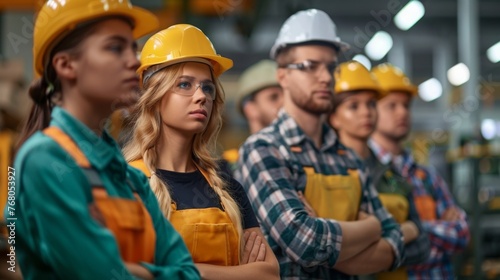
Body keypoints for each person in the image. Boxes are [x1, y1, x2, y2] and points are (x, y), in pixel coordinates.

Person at [8, 1, 200, 279]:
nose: (134, 61)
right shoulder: (46, 160)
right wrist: (158, 271)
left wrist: (133, 271)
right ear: (65, 65)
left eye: (132, 47)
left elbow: (189, 272)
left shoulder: (128, 177)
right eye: (114, 47)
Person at [234, 9, 404, 279]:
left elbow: (396, 241)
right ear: (283, 76)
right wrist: (371, 228)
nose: (326, 77)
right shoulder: (263, 150)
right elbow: (304, 243)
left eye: (330, 66)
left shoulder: (348, 156)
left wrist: (324, 233)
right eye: (310, 66)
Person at [123, 24, 280, 280]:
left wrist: (178, 273)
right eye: (185, 84)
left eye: (207, 87)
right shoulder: (128, 182)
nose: (201, 97)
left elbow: (269, 274)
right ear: (156, 96)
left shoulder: (226, 185)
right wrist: (238, 273)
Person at [329, 61, 430, 279]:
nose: (366, 112)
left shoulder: (393, 172)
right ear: (334, 117)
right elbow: (331, 252)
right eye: (353, 106)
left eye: (371, 104)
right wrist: (404, 232)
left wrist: (372, 253)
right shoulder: (328, 175)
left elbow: (423, 245)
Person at [370, 63, 470, 279]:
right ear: (371, 110)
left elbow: (461, 234)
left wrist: (411, 229)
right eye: (392, 105)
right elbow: (373, 245)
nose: (402, 112)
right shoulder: (365, 171)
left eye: (406, 105)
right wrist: (438, 226)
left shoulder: (426, 175)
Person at [222, 59, 283, 170]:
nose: (284, 103)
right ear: (250, 108)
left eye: (287, 96)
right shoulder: (228, 168)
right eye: (273, 97)